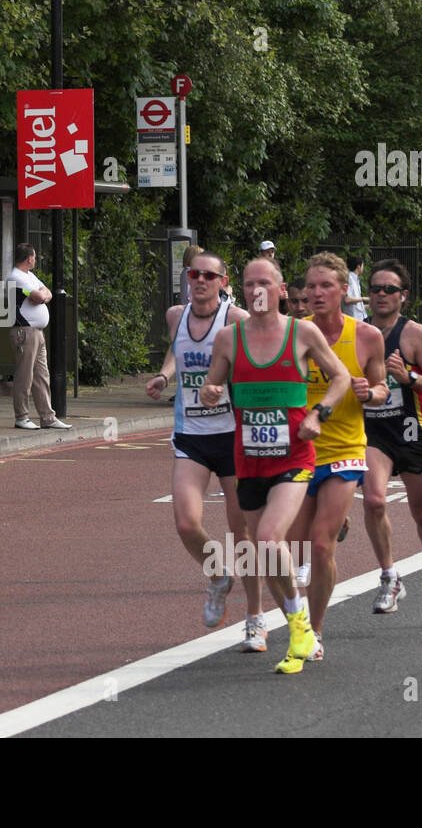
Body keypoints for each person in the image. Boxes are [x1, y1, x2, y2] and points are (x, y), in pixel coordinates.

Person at [199, 255, 351, 674]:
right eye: (249, 284)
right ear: (242, 291)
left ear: (282, 290)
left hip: (294, 457)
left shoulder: (302, 333)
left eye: (265, 282)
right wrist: (210, 393)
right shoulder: (229, 339)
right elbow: (212, 384)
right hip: (248, 460)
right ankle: (299, 625)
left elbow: (339, 377)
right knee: (265, 554)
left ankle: (300, 627)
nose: (257, 290)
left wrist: (319, 415)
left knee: (267, 539)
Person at [144, 252, 265, 648]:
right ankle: (217, 575)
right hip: (191, 434)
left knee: (242, 530)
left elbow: (257, 364)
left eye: (208, 276)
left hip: (231, 435)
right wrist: (164, 376)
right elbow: (178, 352)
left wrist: (224, 385)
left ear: (223, 281)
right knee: (185, 523)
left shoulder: (236, 320)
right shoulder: (175, 315)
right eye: (194, 274)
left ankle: (255, 617)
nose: (200, 281)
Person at [287, 251, 388, 663]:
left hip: (345, 449)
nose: (316, 293)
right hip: (300, 451)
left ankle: (314, 630)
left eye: (325, 285)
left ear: (343, 290)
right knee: (287, 548)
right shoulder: (293, 332)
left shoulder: (366, 336)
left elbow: (382, 388)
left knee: (320, 544)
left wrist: (372, 393)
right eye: (310, 286)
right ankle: (293, 617)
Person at [360, 260, 422, 625]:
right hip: (374, 434)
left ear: (403, 296)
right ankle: (389, 576)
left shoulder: (414, 334)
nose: (381, 295)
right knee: (374, 500)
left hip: (413, 432)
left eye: (389, 289)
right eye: (375, 288)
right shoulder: (358, 333)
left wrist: (409, 376)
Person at [7, 243, 71, 430]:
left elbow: (47, 292)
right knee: (24, 376)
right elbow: (39, 296)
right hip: (24, 332)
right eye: (34, 256)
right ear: (29, 258)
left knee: (42, 376)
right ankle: (21, 417)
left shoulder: (29, 276)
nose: (35, 259)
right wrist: (43, 295)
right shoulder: (16, 277)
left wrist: (44, 294)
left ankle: (48, 417)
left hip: (36, 332)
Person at [344, 255, 367, 320]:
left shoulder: (355, 279)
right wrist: (365, 299)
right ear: (358, 266)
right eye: (363, 265)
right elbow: (347, 300)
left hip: (360, 319)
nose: (363, 267)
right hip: (353, 320)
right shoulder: (349, 279)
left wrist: (369, 306)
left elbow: (357, 306)